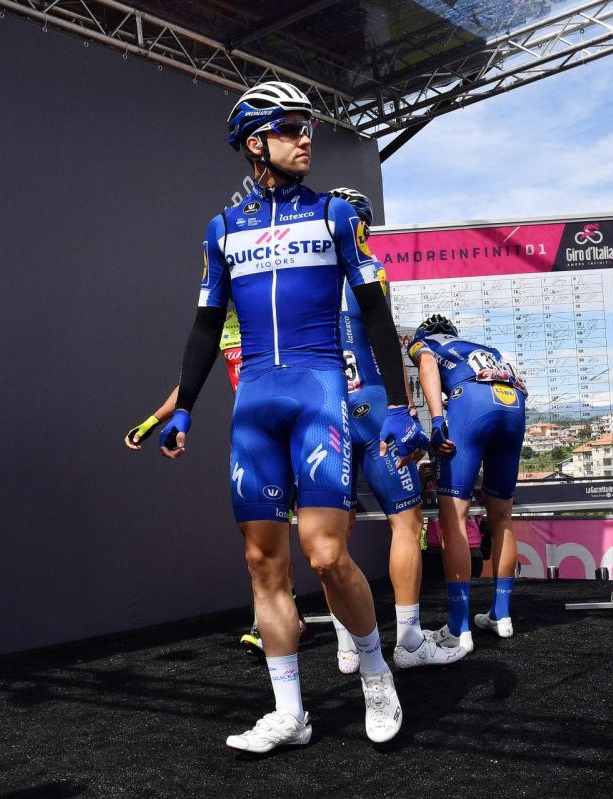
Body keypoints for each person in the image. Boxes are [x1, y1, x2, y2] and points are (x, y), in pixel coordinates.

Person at [158, 81, 427, 753]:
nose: (305, 137)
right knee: (262, 562)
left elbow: (376, 313)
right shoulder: (223, 230)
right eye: (289, 127)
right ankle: (290, 713)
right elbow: (205, 325)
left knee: (326, 554)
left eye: (307, 126)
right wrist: (185, 406)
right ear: (255, 143)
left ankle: (375, 673)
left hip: (318, 391)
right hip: (256, 403)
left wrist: (399, 405)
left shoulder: (335, 214)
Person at [325, 187, 465, 674]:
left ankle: (347, 644)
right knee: (406, 524)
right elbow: (382, 340)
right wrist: (405, 410)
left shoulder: (302, 278)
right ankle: (408, 642)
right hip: (373, 404)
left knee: (332, 537)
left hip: (326, 412)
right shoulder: (369, 268)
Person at [124, 309, 304, 655]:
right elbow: (191, 383)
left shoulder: (276, 308)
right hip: (255, 436)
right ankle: (276, 616)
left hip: (297, 427)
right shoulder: (223, 323)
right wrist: (151, 422)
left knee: (317, 540)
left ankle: (351, 636)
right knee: (263, 532)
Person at [409, 314, 526, 652]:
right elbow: (520, 385)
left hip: (471, 402)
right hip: (513, 405)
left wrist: (438, 419)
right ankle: (501, 615)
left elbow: (427, 365)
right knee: (502, 517)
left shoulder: (424, 342)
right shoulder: (485, 348)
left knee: (454, 518)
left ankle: (459, 628)